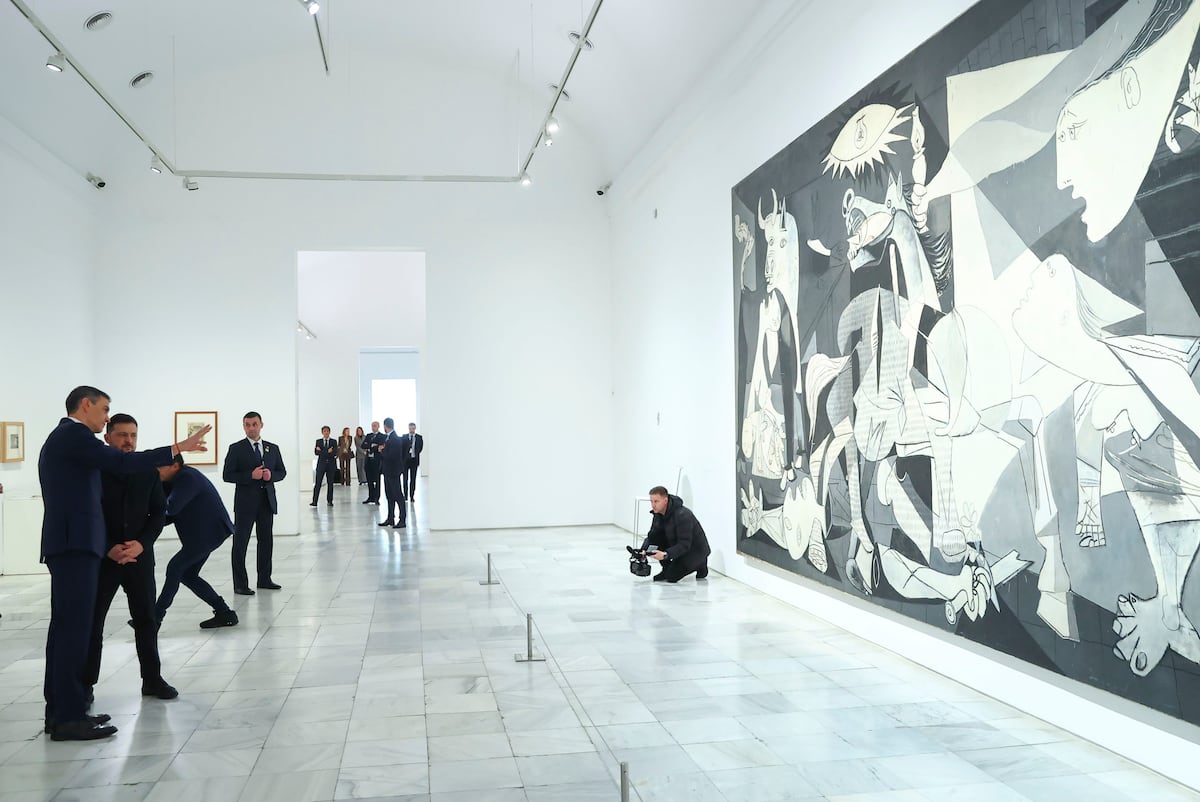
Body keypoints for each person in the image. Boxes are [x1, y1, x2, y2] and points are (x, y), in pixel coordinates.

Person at [38, 385, 209, 741]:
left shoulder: (69, 439)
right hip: (77, 547)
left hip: (78, 546)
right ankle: (68, 716)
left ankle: (63, 712)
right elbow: (119, 462)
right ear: (86, 405)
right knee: (74, 632)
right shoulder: (73, 436)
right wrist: (177, 448)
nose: (105, 418)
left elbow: (153, 508)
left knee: (68, 631)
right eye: (104, 410)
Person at [84, 414, 177, 704]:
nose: (128, 441)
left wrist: (142, 544)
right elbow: (88, 514)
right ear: (107, 438)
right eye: (122, 435)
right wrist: (108, 546)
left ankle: (152, 679)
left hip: (139, 557)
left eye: (133, 435)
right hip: (105, 559)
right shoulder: (96, 470)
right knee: (94, 622)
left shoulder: (146, 469)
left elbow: (158, 512)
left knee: (146, 618)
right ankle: (86, 685)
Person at [156, 457, 238, 629]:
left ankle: (155, 618)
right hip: (204, 534)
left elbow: (171, 507)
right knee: (187, 575)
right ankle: (225, 613)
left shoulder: (187, 478)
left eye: (159, 467)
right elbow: (166, 512)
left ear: (175, 466)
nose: (156, 471)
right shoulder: (173, 479)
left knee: (175, 568)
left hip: (208, 533)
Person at [223, 411, 287, 595]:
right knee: (240, 543)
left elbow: (282, 472)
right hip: (245, 504)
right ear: (244, 426)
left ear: (261, 425)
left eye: (254, 424)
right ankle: (240, 584)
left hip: (266, 502)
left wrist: (271, 475)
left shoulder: (272, 448)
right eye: (247, 425)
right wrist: (250, 475)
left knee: (266, 541)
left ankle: (264, 579)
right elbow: (227, 475)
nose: (251, 428)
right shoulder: (236, 448)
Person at [639, 486, 711, 583]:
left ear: (665, 500)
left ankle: (700, 564)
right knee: (658, 541)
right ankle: (666, 569)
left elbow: (685, 544)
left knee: (672, 576)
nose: (653, 505)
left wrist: (666, 555)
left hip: (695, 550)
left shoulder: (683, 515)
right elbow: (653, 536)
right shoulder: (658, 514)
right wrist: (643, 550)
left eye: (656, 501)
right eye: (651, 501)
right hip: (678, 545)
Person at [378, 417, 407, 529]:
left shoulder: (394, 439)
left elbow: (392, 456)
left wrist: (381, 450)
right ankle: (390, 518)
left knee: (398, 495)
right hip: (387, 471)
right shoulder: (389, 438)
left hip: (393, 471)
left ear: (385, 426)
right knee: (389, 495)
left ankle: (402, 520)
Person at [310, 425, 338, 507]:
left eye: (327, 431)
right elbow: (316, 452)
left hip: (331, 465)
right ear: (322, 432)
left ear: (329, 432)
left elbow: (334, 453)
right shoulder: (318, 441)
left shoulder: (333, 441)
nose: (326, 433)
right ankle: (314, 501)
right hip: (321, 465)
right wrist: (327, 451)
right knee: (317, 483)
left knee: (330, 484)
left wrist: (322, 451)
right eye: (324, 431)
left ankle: (330, 501)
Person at [361, 421, 385, 505]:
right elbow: (363, 445)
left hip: (377, 461)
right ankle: (370, 497)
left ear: (378, 426)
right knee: (369, 480)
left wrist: (371, 446)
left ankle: (376, 498)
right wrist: (372, 445)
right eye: (372, 426)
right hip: (368, 461)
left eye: (375, 426)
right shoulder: (369, 435)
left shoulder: (382, 436)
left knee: (377, 480)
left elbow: (381, 446)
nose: (373, 427)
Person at [401, 422, 423, 504]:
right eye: (410, 428)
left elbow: (420, 448)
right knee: (405, 479)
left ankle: (412, 496)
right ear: (408, 428)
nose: (411, 430)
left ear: (415, 428)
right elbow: (402, 448)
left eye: (413, 428)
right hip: (405, 461)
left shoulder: (419, 437)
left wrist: (415, 452)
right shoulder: (404, 437)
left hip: (414, 460)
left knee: (413, 479)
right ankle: (405, 495)